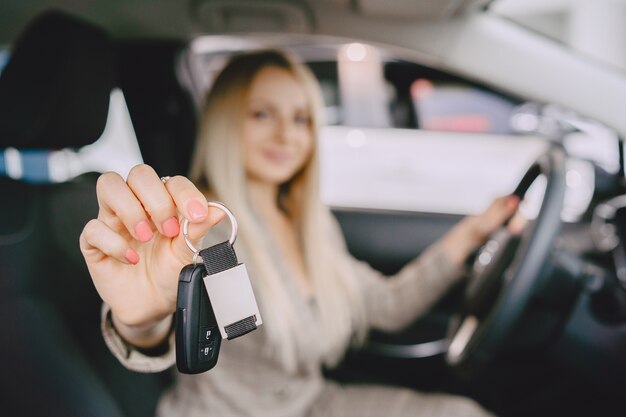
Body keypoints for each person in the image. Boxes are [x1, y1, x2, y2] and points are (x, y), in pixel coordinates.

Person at [79, 49, 519, 417]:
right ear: (226, 121)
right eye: (262, 113)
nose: (285, 134)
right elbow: (161, 329)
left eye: (302, 118)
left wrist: (472, 235)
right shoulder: (202, 228)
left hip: (315, 404)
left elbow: (386, 304)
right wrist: (138, 322)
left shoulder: (309, 222)